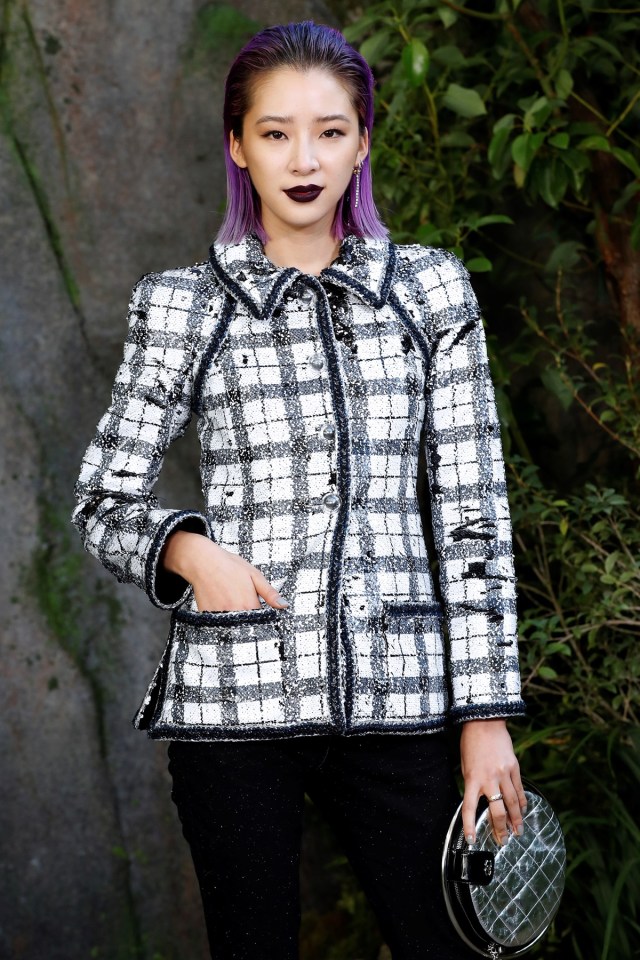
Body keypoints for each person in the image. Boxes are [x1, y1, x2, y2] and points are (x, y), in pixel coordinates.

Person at [72, 20, 527, 960]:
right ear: (237, 146)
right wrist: (188, 550)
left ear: (363, 140)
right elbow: (103, 501)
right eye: (275, 132)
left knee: (447, 945)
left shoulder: (432, 292)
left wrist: (485, 722)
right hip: (233, 706)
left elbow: (475, 515)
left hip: (405, 700)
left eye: (329, 130)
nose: (304, 158)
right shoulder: (181, 305)